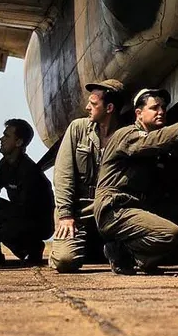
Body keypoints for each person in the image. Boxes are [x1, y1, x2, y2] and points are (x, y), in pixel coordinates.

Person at [94, 89, 178, 275]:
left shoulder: (158, 148)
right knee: (170, 234)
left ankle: (141, 258)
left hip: (137, 205)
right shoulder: (126, 135)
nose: (161, 111)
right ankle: (124, 251)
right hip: (115, 208)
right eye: (154, 108)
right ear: (138, 113)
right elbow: (152, 141)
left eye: (163, 107)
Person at [49, 79, 127, 273]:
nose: (86, 107)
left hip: (112, 208)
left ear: (109, 108)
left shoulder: (127, 134)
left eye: (93, 104)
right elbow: (63, 174)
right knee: (65, 261)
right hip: (79, 208)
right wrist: (66, 214)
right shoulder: (78, 129)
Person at [0, 119, 55, 266]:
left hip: (38, 221)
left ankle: (34, 248)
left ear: (18, 142)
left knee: (5, 231)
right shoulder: (6, 163)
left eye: (6, 136)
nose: (1, 139)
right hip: (19, 213)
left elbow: (27, 209)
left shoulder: (29, 172)